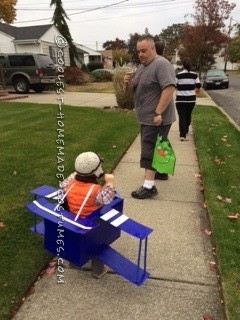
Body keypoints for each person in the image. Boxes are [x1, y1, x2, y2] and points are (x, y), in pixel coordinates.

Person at [124, 35, 176, 200]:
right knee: (159, 146)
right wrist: (127, 84)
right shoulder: (142, 68)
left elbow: (169, 88)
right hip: (147, 117)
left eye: (144, 50)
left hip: (155, 118)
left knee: (149, 149)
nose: (141, 54)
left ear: (153, 49)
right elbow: (134, 93)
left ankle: (149, 187)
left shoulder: (161, 64)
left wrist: (158, 112)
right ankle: (161, 172)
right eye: (138, 51)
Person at [60, 151, 116, 278]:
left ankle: (74, 264)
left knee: (76, 243)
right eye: (99, 166)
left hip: (73, 221)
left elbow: (62, 185)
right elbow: (107, 199)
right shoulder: (95, 190)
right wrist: (110, 183)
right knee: (98, 244)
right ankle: (98, 271)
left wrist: (73, 174)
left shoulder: (70, 183)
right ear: (94, 171)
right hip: (90, 226)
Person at [175, 58, 201, 141]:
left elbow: (173, 85)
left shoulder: (178, 75)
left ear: (183, 65)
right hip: (191, 100)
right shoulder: (194, 75)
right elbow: (198, 85)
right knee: (188, 115)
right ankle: (185, 130)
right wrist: (195, 91)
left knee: (182, 116)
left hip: (180, 100)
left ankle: (182, 135)